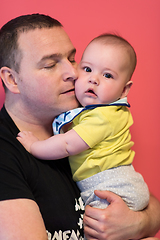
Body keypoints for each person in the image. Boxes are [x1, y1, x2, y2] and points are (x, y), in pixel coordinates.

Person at [0, 13, 160, 240]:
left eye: (73, 59)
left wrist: (137, 223)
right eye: (50, 64)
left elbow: (147, 200)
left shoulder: (82, 119)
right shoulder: (6, 154)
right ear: (12, 80)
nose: (72, 74)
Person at [17, 33, 150, 212]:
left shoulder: (104, 116)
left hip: (112, 187)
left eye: (108, 75)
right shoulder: (94, 110)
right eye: (87, 69)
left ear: (124, 89)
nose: (93, 79)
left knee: (96, 229)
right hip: (116, 184)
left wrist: (34, 147)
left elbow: (67, 144)